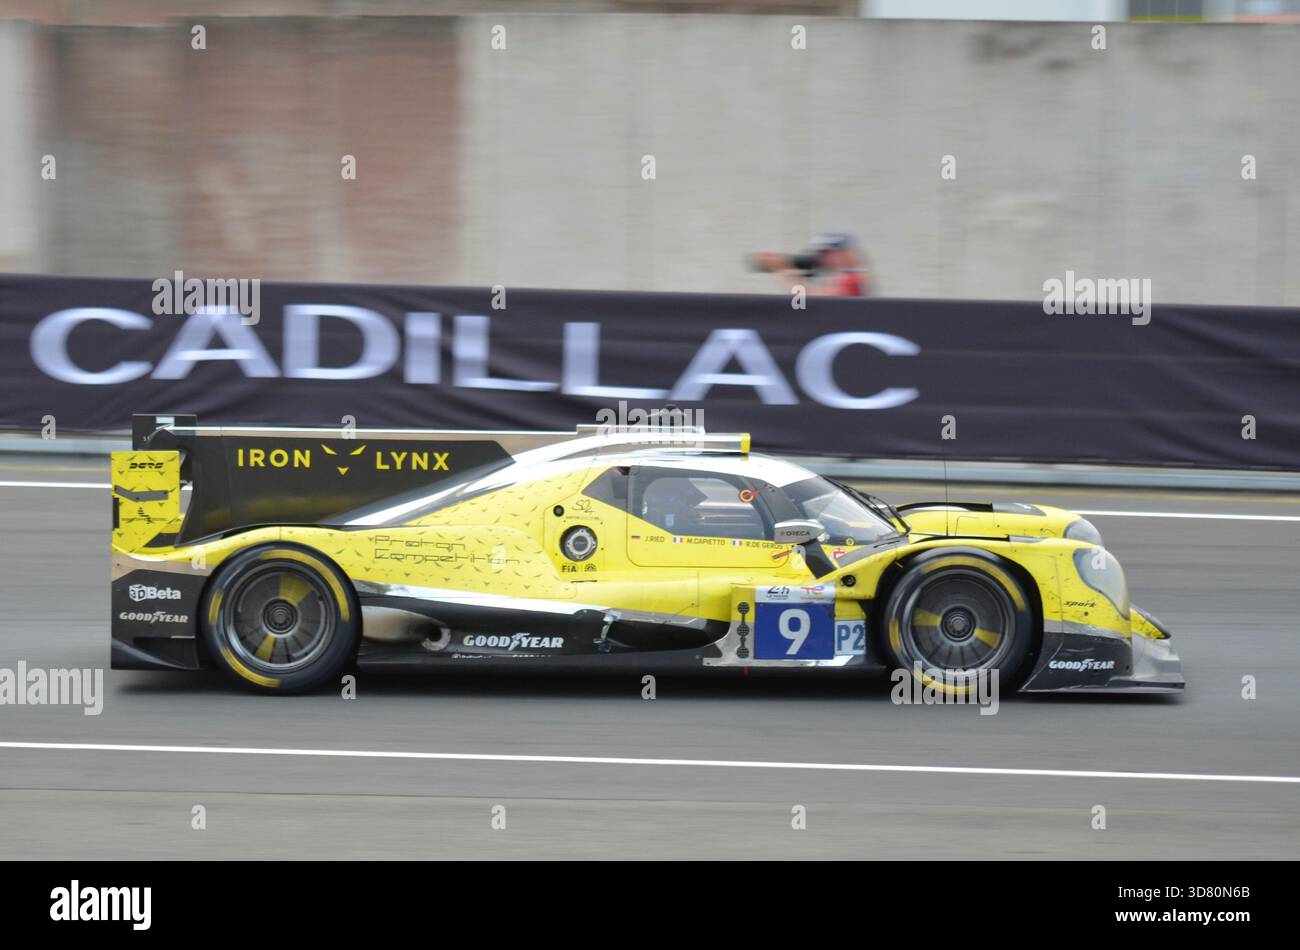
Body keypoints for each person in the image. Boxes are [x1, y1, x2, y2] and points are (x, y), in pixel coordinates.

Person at [752, 232, 872, 297]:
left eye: (825, 253)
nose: (821, 258)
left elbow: (814, 304)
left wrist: (791, 281)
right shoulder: (847, 277)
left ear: (841, 253)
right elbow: (800, 306)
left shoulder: (852, 278)